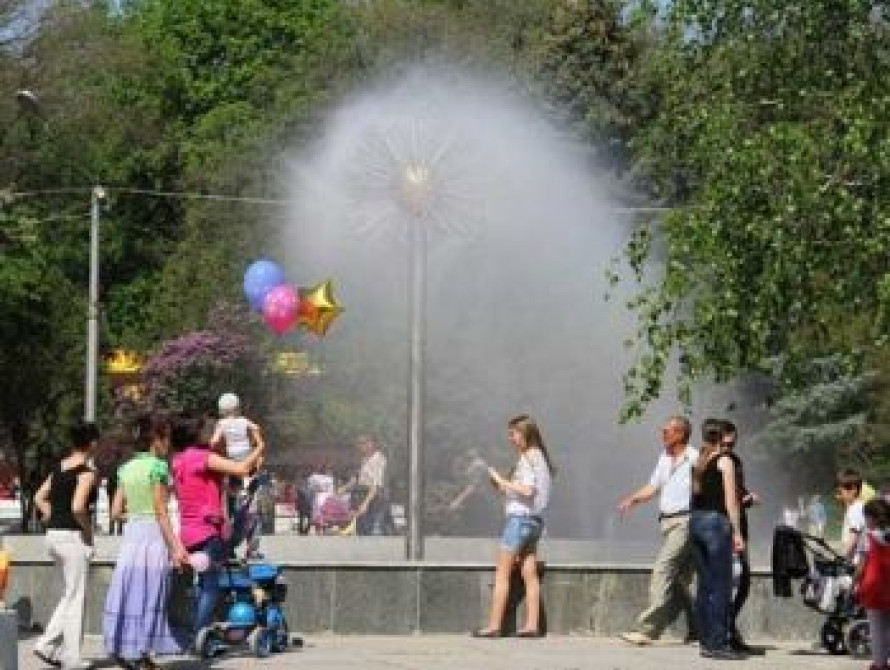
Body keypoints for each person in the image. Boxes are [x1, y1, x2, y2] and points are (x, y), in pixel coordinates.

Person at [102, 413, 190, 669]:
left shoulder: (126, 469)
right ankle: (142, 653)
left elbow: (115, 512)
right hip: (152, 537)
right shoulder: (158, 468)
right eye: (167, 439)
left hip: (132, 537)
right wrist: (177, 546)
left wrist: (137, 515)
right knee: (151, 594)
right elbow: (162, 513)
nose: (169, 444)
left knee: (129, 592)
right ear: (157, 440)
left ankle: (125, 648)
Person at [171, 413, 264, 641]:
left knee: (196, 583)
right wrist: (260, 446)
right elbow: (242, 469)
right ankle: (198, 632)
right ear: (196, 434)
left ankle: (193, 629)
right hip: (208, 530)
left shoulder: (179, 459)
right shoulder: (203, 458)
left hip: (187, 530)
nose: (213, 433)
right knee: (210, 585)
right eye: (207, 429)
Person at [617, 416, 698, 646]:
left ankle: (647, 630)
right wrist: (632, 499)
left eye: (666, 431)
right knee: (681, 580)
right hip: (668, 522)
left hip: (685, 522)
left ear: (680, 434)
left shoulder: (693, 458)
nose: (662, 434)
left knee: (663, 569)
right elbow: (653, 486)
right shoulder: (664, 457)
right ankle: (699, 627)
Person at [472, 414, 555, 638]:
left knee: (502, 573)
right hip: (535, 522)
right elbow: (527, 494)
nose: (510, 438)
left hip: (519, 522)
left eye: (513, 434)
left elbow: (527, 491)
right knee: (529, 573)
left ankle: (494, 626)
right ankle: (532, 625)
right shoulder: (540, 457)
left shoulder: (528, 457)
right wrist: (502, 487)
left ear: (525, 433)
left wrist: (501, 480)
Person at [32, 421, 100, 670]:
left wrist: (49, 512)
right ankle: (71, 658)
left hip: (53, 536)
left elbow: (39, 496)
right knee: (77, 596)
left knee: (68, 595)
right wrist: (88, 533)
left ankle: (46, 645)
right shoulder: (86, 472)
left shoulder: (58, 468)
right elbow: (78, 507)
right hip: (72, 537)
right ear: (92, 442)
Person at [689, 418, 746, 661]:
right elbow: (731, 502)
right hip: (715, 523)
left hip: (696, 522)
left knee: (704, 585)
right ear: (722, 436)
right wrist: (737, 532)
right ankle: (719, 643)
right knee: (721, 586)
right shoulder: (725, 461)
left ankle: (705, 641)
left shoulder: (699, 461)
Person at [719, 419, 761, 653]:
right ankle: (725, 633)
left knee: (740, 581)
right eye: (725, 444)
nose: (728, 449)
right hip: (725, 528)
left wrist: (747, 498)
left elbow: (736, 492)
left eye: (732, 445)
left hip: (736, 526)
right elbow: (724, 497)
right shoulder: (714, 462)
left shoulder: (734, 462)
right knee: (734, 581)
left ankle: (728, 630)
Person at [211, 392, 266, 559]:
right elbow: (257, 433)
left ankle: (228, 548)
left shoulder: (221, 423)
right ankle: (253, 550)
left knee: (230, 511)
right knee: (253, 511)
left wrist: (221, 451)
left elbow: (213, 441)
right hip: (249, 468)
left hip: (232, 469)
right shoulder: (244, 421)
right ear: (238, 407)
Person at [856, 498, 890, 670]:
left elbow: (861, 565)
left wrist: (854, 582)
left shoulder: (868, 536)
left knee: (877, 630)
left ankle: (880, 664)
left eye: (866, 517)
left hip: (874, 587)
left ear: (871, 518)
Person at [339, 435, 389, 536]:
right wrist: (344, 488)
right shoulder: (365, 459)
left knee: (372, 531)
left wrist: (365, 503)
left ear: (372, 444)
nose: (360, 446)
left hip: (374, 499)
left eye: (363, 443)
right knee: (361, 530)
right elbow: (357, 478)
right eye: (360, 443)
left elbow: (376, 485)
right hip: (361, 496)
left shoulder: (378, 459)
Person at [836, 468, 867, 562]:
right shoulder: (855, 507)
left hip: (854, 562)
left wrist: (841, 558)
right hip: (854, 559)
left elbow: (853, 537)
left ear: (853, 489)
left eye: (840, 491)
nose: (838, 495)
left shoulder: (855, 509)